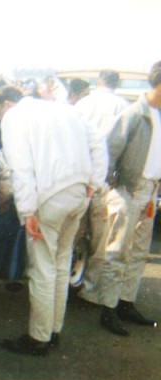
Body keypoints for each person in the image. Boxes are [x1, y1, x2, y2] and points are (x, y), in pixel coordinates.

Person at [0, 86, 106, 356]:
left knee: (43, 268)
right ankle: (53, 330)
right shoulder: (64, 109)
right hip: (78, 194)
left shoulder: (14, 117)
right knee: (59, 265)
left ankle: (38, 338)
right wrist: (94, 183)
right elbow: (99, 144)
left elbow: (21, 167)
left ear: (7, 104)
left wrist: (28, 211)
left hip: (49, 199)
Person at [92, 61, 161, 336]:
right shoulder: (134, 113)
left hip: (150, 191)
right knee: (117, 250)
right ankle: (107, 309)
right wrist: (115, 188)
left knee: (139, 251)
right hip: (128, 190)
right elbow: (108, 151)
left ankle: (126, 302)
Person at [74, 70, 130, 305]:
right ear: (117, 84)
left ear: (98, 82)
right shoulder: (124, 106)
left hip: (78, 178)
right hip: (103, 181)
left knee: (72, 234)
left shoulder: (82, 103)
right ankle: (88, 288)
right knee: (99, 240)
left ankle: (67, 281)